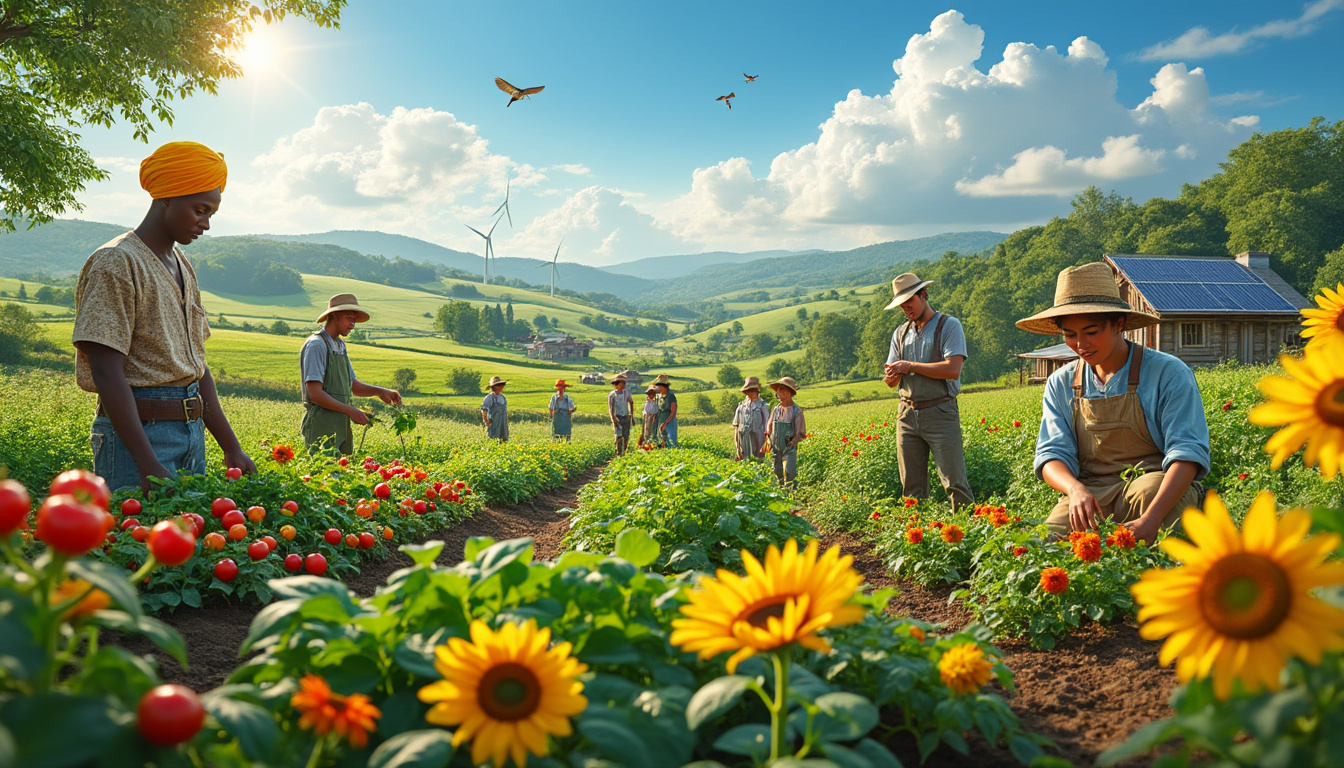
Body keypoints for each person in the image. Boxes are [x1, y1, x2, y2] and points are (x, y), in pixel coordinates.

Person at [73, 141, 255, 492]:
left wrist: (230, 446)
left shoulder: (182, 265)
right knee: (138, 544)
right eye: (199, 210)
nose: (205, 224)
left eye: (210, 215)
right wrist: (148, 464)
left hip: (190, 433)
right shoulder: (117, 262)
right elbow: (107, 373)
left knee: (187, 544)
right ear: (168, 197)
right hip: (138, 440)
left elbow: (195, 367)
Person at [1018, 262, 1209, 543]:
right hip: (1091, 492)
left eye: (1091, 332)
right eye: (1070, 334)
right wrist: (1074, 490)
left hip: (1153, 485)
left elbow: (1187, 453)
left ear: (1119, 324)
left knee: (1151, 497)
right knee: (1046, 545)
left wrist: (1151, 519)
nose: (1080, 344)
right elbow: (1051, 455)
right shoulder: (1061, 383)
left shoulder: (1168, 372)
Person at [882, 272, 974, 510]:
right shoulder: (900, 333)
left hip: (940, 411)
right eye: (902, 305)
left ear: (924, 295)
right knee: (911, 487)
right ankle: (916, 539)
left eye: (910, 302)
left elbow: (952, 369)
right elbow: (890, 383)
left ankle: (966, 535)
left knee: (954, 482)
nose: (906, 309)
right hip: (907, 414)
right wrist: (892, 374)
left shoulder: (949, 326)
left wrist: (909, 366)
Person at [300, 294, 402, 455]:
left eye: (355, 320)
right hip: (322, 424)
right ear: (334, 315)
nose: (352, 324)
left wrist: (381, 391)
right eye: (349, 318)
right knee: (322, 476)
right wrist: (350, 410)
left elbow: (352, 385)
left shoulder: (340, 345)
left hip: (341, 424)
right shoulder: (317, 345)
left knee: (341, 476)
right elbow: (315, 395)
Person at [765, 377, 806, 487]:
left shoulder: (797, 411)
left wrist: (793, 441)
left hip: (789, 448)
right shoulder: (776, 409)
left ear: (790, 393)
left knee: (789, 473)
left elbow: (801, 433)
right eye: (778, 390)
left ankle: (792, 495)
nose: (779, 393)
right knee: (777, 472)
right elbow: (769, 425)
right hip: (775, 447)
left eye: (782, 390)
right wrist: (768, 438)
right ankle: (780, 495)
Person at [732, 376, 769, 462]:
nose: (751, 393)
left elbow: (768, 428)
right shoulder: (741, 407)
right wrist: (738, 446)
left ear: (757, 391)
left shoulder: (763, 406)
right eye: (749, 390)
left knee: (759, 464)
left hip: (758, 442)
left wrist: (765, 446)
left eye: (753, 390)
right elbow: (736, 427)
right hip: (744, 442)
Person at [607, 374, 634, 455]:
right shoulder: (612, 395)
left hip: (625, 416)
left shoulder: (626, 393)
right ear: (616, 384)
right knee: (618, 436)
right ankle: (618, 452)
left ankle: (624, 451)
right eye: (621, 384)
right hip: (617, 417)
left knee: (626, 436)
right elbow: (611, 408)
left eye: (624, 384)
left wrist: (631, 415)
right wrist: (614, 419)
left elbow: (631, 402)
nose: (623, 386)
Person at [653, 374, 679, 448]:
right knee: (661, 440)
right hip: (661, 418)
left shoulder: (671, 396)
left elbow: (673, 412)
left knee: (671, 440)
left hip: (669, 420)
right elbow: (652, 385)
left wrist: (666, 423)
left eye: (659, 386)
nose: (658, 388)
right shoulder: (659, 396)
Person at [481, 376, 509, 442]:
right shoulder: (489, 398)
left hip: (503, 425)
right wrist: (487, 421)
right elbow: (484, 410)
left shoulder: (502, 398)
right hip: (494, 424)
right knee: (493, 441)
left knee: (504, 442)